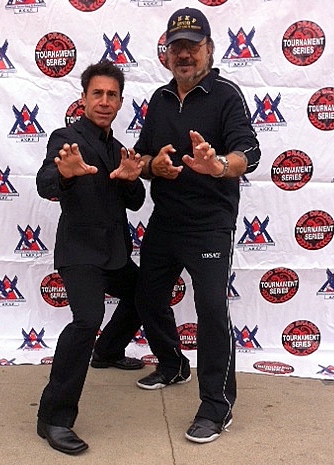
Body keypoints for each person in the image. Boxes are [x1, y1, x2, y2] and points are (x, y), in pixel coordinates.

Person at [134, 7, 261, 444]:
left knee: (210, 309)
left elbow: (249, 152)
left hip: (210, 225)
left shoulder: (226, 95)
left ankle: (216, 407)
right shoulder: (159, 99)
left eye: (193, 46)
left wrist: (219, 165)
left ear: (209, 49)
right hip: (165, 220)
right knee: (147, 295)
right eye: (177, 48)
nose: (184, 55)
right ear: (167, 54)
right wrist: (152, 166)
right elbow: (143, 155)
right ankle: (173, 365)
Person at [36, 61, 146, 455]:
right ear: (83, 99)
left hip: (113, 252)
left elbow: (136, 201)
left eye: (111, 95)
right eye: (97, 93)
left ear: (120, 102)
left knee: (145, 293)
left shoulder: (119, 149)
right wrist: (65, 174)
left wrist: (131, 179)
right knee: (86, 321)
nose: (104, 101)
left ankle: (109, 351)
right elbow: (45, 182)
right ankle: (54, 418)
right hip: (80, 252)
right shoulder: (66, 139)